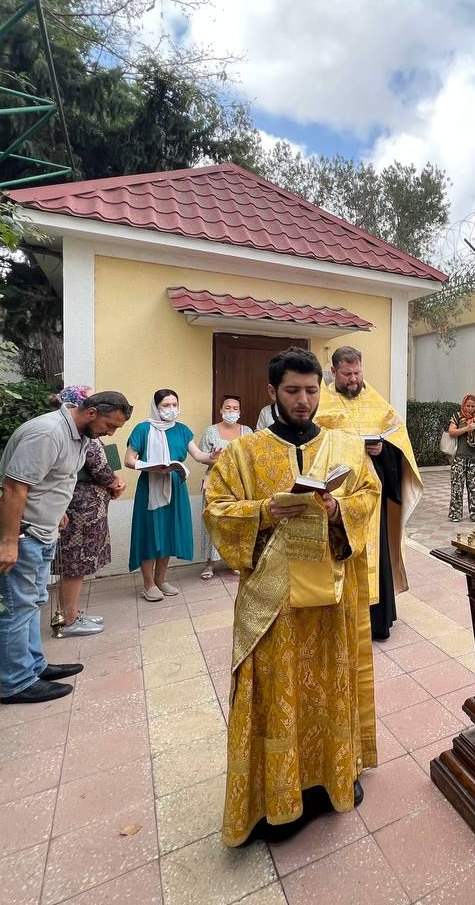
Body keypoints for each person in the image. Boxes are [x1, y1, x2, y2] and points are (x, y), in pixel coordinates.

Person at [204, 347, 380, 846]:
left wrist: (334, 510)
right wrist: (264, 511)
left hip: (330, 599)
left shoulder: (345, 447)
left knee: (328, 685)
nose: (303, 400)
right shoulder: (244, 453)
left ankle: (330, 778)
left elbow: (367, 498)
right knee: (277, 692)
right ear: (272, 393)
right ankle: (275, 797)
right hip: (274, 603)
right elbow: (216, 509)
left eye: (310, 390)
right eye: (292, 391)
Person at [0, 390, 132, 704]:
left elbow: (55, 479)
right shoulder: (47, 433)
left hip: (40, 531)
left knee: (31, 603)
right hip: (18, 534)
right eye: (109, 425)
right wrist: (7, 541)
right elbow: (15, 486)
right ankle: (18, 684)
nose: (110, 433)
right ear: (90, 413)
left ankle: (34, 666)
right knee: (16, 608)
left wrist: (56, 511)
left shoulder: (79, 437)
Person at [314, 346, 422, 642]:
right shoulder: (321, 404)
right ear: (334, 372)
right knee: (340, 553)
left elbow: (397, 438)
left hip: (372, 493)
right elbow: (315, 445)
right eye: (347, 374)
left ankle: (377, 621)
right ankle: (342, 620)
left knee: (375, 554)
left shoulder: (376, 401)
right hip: (338, 496)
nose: (353, 379)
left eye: (358, 373)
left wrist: (383, 450)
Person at [124, 389, 218, 601]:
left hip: (175, 485)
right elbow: (129, 460)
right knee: (149, 534)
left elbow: (198, 455)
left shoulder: (183, 430)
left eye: (174, 404)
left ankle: (160, 580)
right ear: (156, 407)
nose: (171, 409)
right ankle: (148, 584)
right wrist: (152, 467)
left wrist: (211, 456)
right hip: (150, 486)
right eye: (166, 405)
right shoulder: (142, 429)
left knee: (167, 532)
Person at [53, 385, 127, 637]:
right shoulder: (82, 435)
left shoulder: (74, 431)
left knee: (74, 564)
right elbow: (99, 468)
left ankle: (70, 613)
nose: (109, 432)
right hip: (82, 508)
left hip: (75, 504)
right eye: (110, 426)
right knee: (76, 563)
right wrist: (115, 483)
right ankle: (69, 618)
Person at [198, 395, 253, 580]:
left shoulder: (247, 431)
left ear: (240, 411)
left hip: (238, 484)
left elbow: (251, 457)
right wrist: (211, 457)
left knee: (235, 522)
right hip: (214, 482)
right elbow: (202, 456)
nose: (231, 411)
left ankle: (234, 562)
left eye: (235, 408)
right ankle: (209, 564)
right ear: (221, 410)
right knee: (212, 521)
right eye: (227, 408)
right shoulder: (210, 431)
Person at [446, 393, 475, 522]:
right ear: (463, 405)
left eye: (473, 406)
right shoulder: (457, 417)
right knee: (457, 486)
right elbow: (451, 432)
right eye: (468, 405)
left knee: (474, 486)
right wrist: (467, 428)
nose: (470, 408)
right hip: (459, 456)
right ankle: (455, 513)